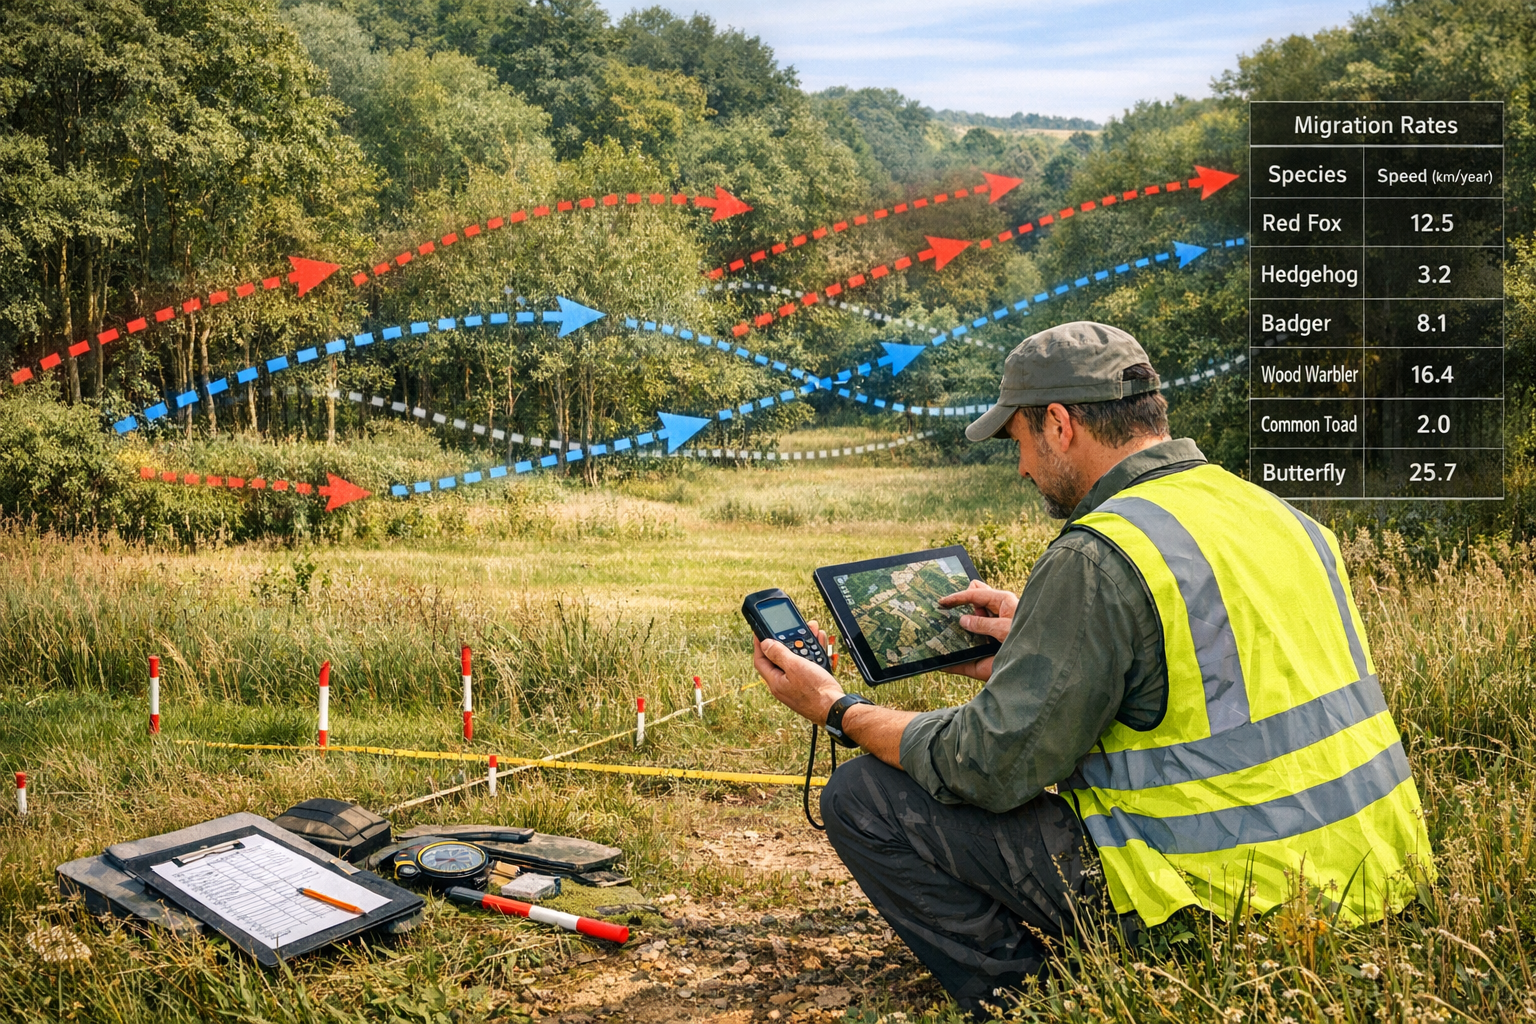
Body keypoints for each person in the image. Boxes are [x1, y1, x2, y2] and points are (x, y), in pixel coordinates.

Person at [751, 321, 1434, 1018]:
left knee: (861, 796)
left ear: (1058, 423)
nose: (1021, 467)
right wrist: (1041, 646)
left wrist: (838, 709)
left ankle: (1034, 1003)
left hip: (1213, 901)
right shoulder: (1278, 516)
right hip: (1369, 878)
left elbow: (988, 766)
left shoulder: (1098, 553)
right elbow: (1227, 674)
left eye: (1018, 442)